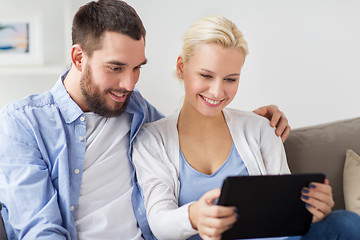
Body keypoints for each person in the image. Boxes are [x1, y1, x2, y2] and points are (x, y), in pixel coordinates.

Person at [0, 1, 291, 240]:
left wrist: (249, 124)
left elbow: (180, 137)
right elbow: (40, 231)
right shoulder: (24, 124)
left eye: (137, 68)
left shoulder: (134, 109)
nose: (128, 83)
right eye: (115, 67)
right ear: (78, 58)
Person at [132, 15, 360, 240]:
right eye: (206, 75)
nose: (217, 92)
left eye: (230, 79)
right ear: (182, 67)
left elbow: (286, 212)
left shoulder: (260, 129)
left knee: (346, 222)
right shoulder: (151, 140)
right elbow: (160, 223)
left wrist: (313, 210)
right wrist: (194, 216)